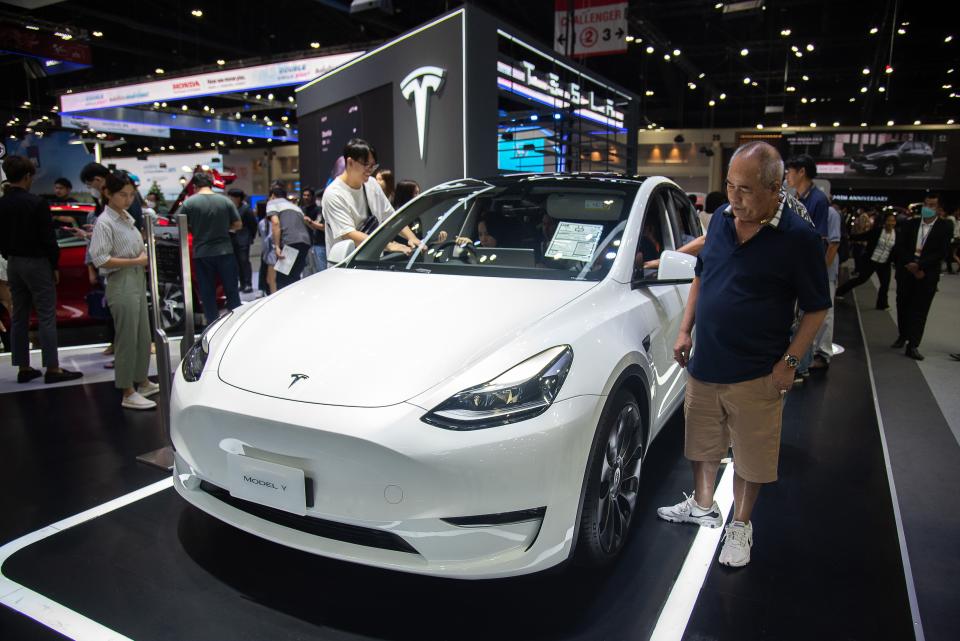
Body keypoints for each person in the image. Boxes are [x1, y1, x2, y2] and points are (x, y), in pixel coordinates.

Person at [658, 141, 830, 568]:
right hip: (705, 362)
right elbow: (702, 275)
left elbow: (816, 307)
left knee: (752, 456)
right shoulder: (719, 220)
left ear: (776, 188)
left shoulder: (798, 238)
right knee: (702, 442)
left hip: (757, 370)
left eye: (746, 190)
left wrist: (789, 362)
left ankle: (741, 525)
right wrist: (684, 329)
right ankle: (702, 504)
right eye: (730, 186)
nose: (735, 198)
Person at [0, 156, 83, 384]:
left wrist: (10, 256)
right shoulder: (36, 203)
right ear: (27, 176)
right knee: (46, 315)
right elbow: (48, 239)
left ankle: (24, 368)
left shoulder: (2, 204)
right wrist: (54, 265)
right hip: (37, 263)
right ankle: (53, 368)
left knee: (19, 316)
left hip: (14, 263)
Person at [88, 171, 159, 410]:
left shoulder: (125, 216)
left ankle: (142, 380)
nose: (128, 199)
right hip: (121, 282)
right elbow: (100, 259)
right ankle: (127, 390)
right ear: (108, 193)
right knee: (127, 337)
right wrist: (136, 261)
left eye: (131, 195)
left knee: (142, 334)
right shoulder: (105, 221)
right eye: (122, 195)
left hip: (137, 280)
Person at [321, 139, 421, 266]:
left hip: (374, 263)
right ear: (350, 162)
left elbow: (391, 217)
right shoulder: (334, 194)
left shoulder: (372, 184)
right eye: (366, 165)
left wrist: (411, 237)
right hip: (345, 267)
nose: (370, 170)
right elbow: (348, 234)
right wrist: (389, 245)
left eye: (373, 165)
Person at [892, 193, 952, 360]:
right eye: (926, 204)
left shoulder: (945, 226)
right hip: (906, 271)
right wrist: (910, 264)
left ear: (939, 209)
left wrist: (920, 266)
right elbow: (900, 246)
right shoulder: (911, 224)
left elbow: (942, 251)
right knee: (902, 305)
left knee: (920, 310)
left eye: (932, 205)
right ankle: (902, 335)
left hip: (927, 274)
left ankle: (913, 345)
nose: (928, 208)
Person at [180, 173, 242, 324]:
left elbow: (180, 224)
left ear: (194, 187)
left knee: (207, 292)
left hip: (201, 252)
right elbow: (238, 224)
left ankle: (212, 325)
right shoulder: (225, 201)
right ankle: (236, 323)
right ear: (212, 184)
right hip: (225, 251)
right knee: (231, 289)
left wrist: (194, 229)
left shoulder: (189, 203)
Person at [835, 212, 897, 309]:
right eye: (889, 220)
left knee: (885, 285)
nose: (891, 223)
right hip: (872, 260)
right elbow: (864, 236)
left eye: (893, 221)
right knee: (861, 279)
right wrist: (849, 237)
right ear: (885, 222)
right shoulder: (877, 231)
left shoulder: (897, 234)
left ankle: (882, 305)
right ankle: (839, 291)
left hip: (884, 263)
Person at [808, 202, 842, 370]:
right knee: (809, 313)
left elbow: (834, 244)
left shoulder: (831, 214)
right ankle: (809, 352)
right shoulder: (804, 210)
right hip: (809, 271)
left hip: (825, 273)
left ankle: (823, 353)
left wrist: (822, 271)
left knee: (825, 313)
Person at [267, 186, 312, 289]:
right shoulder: (295, 206)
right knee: (294, 277)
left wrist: (277, 246)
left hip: (290, 242)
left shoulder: (273, 203)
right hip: (305, 242)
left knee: (283, 279)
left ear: (273, 196)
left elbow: (275, 222)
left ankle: (284, 304)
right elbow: (306, 221)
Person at [80, 162, 145, 231]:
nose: (90, 188)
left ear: (97, 179)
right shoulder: (103, 197)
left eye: (89, 184)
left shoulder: (118, 189)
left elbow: (132, 219)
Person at [785, 154, 829, 243]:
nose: (786, 177)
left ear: (802, 172)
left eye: (789, 172)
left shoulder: (819, 200)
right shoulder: (792, 199)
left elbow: (820, 237)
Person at [227, 188, 257, 293]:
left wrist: (250, 237)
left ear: (238, 198)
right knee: (237, 263)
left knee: (244, 261)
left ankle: (248, 284)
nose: (230, 199)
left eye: (232, 197)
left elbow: (253, 225)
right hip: (233, 238)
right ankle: (242, 283)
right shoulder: (231, 208)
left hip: (243, 239)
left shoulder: (246, 209)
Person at [300, 187, 326, 274]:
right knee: (306, 270)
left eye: (308, 195)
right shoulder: (301, 209)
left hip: (317, 243)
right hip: (304, 243)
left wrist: (308, 221)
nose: (306, 197)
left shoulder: (318, 209)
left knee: (319, 270)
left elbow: (320, 227)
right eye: (304, 195)